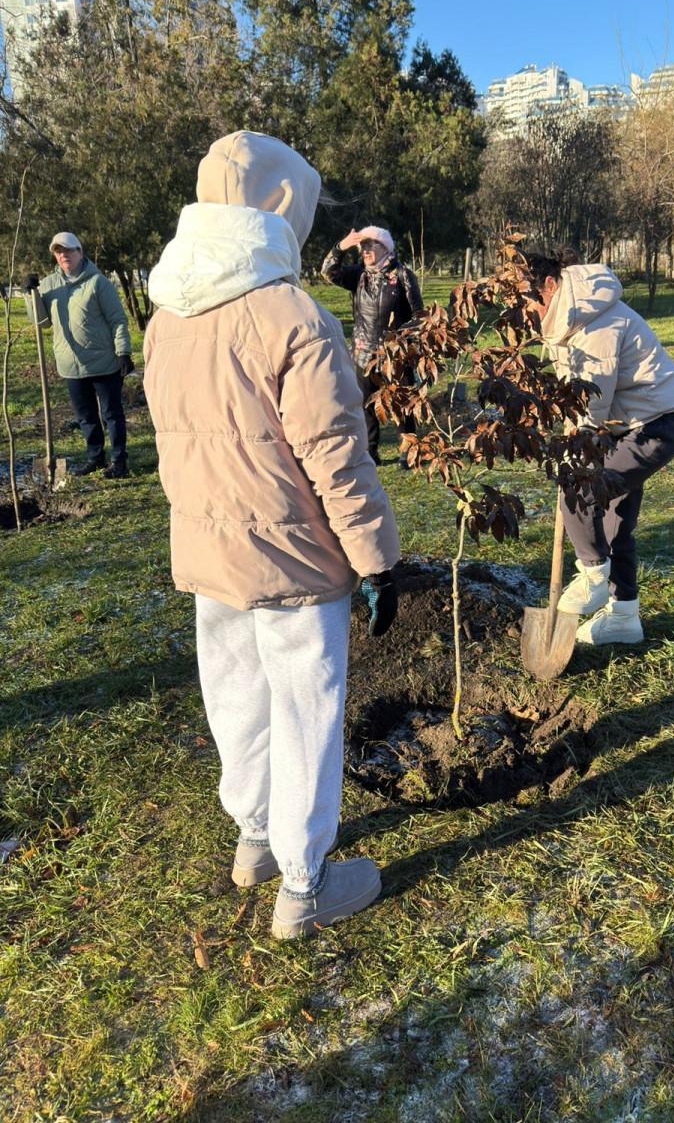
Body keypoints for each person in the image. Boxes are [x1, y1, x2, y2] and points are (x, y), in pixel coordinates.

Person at [144, 132, 401, 939]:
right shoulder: (292, 317)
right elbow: (337, 460)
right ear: (283, 206)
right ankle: (304, 882)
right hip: (294, 560)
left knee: (236, 698)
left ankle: (253, 838)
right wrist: (377, 560)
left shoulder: (165, 314)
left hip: (207, 549)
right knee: (302, 708)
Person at [527, 252, 674, 646]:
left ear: (548, 285)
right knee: (614, 523)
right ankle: (624, 617)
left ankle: (594, 576)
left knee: (578, 488)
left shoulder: (595, 324)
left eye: (527, 299)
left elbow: (591, 401)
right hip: (626, 426)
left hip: (648, 430)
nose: (524, 310)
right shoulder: (573, 315)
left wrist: (573, 452)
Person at [24, 232, 133, 478]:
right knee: (85, 417)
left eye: (69, 250)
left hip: (103, 363)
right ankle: (95, 458)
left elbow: (117, 320)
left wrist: (123, 352)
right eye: (58, 251)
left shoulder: (98, 283)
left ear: (80, 252)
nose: (64, 255)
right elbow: (41, 322)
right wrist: (31, 296)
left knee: (111, 415)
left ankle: (119, 462)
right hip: (70, 365)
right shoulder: (50, 284)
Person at [321, 226, 423, 465]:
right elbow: (327, 272)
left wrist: (405, 342)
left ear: (385, 248)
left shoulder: (402, 275)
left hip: (396, 354)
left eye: (371, 245)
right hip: (364, 353)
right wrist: (341, 247)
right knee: (366, 405)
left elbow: (419, 315)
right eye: (362, 246)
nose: (365, 250)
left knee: (402, 404)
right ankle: (370, 453)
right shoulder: (358, 275)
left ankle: (408, 452)